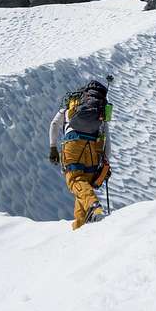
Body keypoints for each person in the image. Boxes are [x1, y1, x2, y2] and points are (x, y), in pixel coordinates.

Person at [48, 79, 112, 229]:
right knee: (84, 186)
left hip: (73, 144)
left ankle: (94, 207)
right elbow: (106, 137)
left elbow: (54, 124)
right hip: (93, 149)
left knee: (75, 180)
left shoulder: (72, 103)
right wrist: (106, 161)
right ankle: (80, 228)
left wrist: (52, 147)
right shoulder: (101, 110)